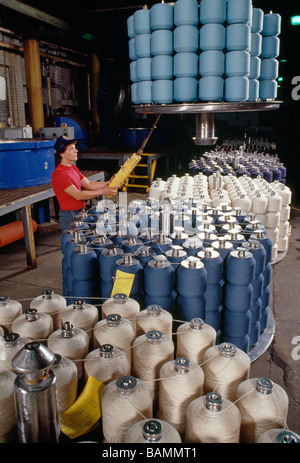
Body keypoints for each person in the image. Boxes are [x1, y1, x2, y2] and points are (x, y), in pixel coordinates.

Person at [52, 135, 120, 231]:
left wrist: (108, 183)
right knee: (73, 243)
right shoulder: (60, 174)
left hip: (80, 211)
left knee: (82, 241)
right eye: (71, 149)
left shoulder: (73, 168)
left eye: (75, 148)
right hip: (70, 214)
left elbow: (89, 184)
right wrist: (103, 191)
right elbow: (77, 195)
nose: (76, 151)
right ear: (62, 153)